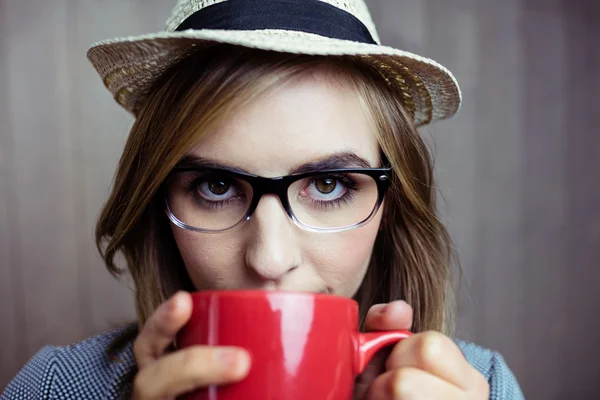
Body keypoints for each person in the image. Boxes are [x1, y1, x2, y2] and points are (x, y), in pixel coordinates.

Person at [2, 0, 525, 399]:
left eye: (328, 184)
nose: (270, 260)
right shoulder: (54, 386)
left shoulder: (481, 387)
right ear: (157, 206)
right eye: (217, 186)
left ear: (392, 207)